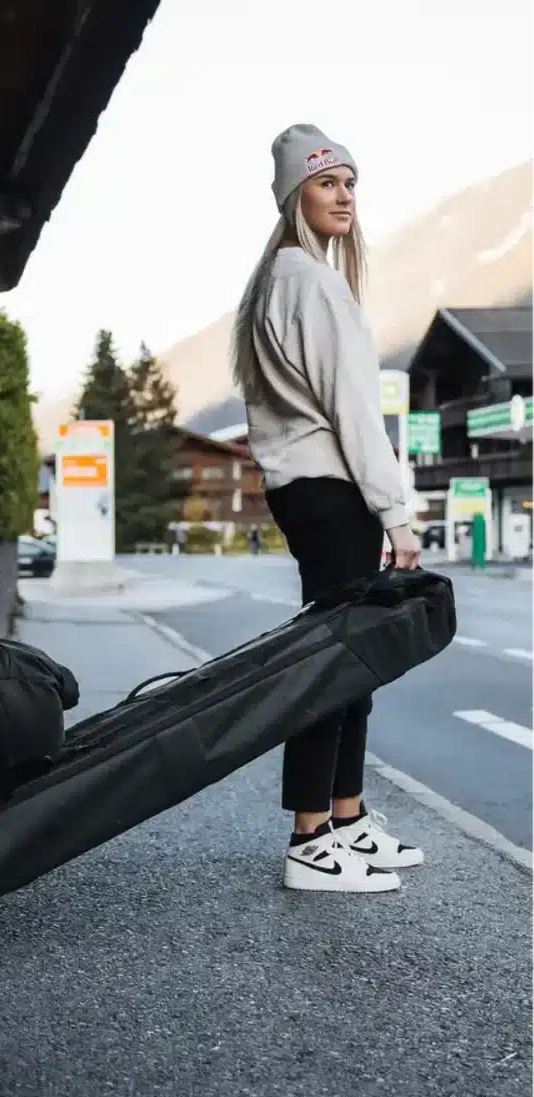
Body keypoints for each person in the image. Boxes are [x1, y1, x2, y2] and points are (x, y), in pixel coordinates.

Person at [230, 123, 423, 894]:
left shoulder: (280, 279)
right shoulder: (310, 280)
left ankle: (345, 816)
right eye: (326, 183)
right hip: (333, 491)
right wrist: (397, 514)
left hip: (314, 490)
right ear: (294, 196)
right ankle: (310, 836)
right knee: (333, 665)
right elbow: (353, 410)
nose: (343, 196)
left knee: (351, 660)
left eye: (349, 183)